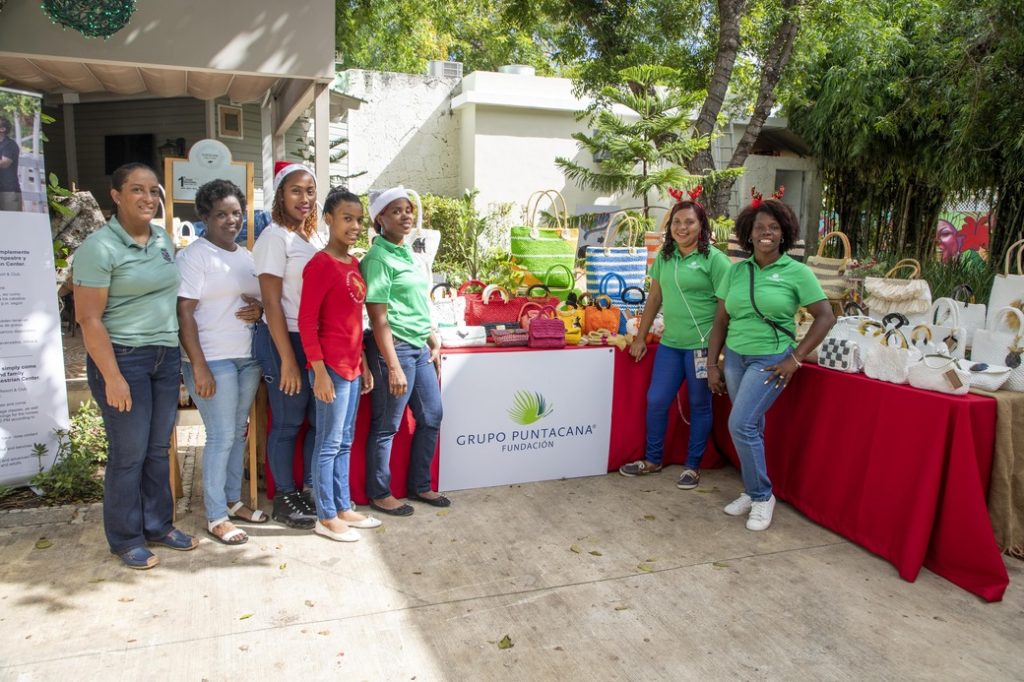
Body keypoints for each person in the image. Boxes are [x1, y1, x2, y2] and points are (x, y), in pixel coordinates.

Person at [73, 162, 196, 569]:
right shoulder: (99, 248)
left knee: (158, 450)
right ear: (116, 195)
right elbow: (89, 319)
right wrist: (112, 377)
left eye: (153, 191)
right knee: (129, 453)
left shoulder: (162, 238)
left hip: (163, 358)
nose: (148, 198)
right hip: (123, 359)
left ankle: (158, 525)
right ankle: (126, 538)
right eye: (137, 190)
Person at [707, 197, 834, 531]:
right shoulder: (736, 272)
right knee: (752, 426)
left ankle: (763, 496)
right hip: (735, 357)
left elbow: (825, 317)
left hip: (771, 359)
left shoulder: (797, 272)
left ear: (784, 234)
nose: (766, 233)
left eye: (773, 228)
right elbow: (720, 321)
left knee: (741, 425)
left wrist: (795, 358)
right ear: (748, 234)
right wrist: (712, 364)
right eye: (759, 227)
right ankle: (752, 490)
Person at [177, 180, 265, 545]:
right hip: (212, 358)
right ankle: (215, 515)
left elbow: (260, 302)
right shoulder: (194, 256)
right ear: (204, 217)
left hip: (247, 356)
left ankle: (232, 501)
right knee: (221, 435)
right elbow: (184, 313)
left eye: (236, 213)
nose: (232, 220)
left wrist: (258, 310)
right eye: (221, 214)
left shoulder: (246, 256)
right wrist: (198, 366)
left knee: (238, 432)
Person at [622, 192, 731, 489]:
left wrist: (716, 353)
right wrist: (641, 337)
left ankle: (693, 466)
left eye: (689, 222)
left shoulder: (716, 260)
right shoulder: (665, 257)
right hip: (671, 344)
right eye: (676, 223)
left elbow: (725, 308)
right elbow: (654, 297)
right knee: (656, 400)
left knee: (699, 405)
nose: (682, 228)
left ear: (702, 225)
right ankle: (653, 460)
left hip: (701, 346)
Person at [298, 188, 381, 541]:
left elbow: (352, 316)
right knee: (329, 442)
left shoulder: (354, 263)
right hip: (330, 367)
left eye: (359, 219)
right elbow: (306, 321)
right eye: (347, 218)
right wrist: (318, 371)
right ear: (329, 219)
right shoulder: (319, 264)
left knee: (345, 440)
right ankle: (326, 515)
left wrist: (362, 357)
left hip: (352, 364)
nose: (355, 225)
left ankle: (344, 505)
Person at [361, 186, 447, 516]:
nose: (405, 215)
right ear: (379, 218)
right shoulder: (378, 258)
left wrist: (431, 335)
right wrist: (393, 366)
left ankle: (420, 484)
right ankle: (379, 492)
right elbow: (378, 315)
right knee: (387, 425)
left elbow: (416, 301)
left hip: (418, 346)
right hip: (392, 348)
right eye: (396, 211)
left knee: (432, 416)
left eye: (408, 209)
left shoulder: (408, 254)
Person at [252, 162, 325, 529]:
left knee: (316, 419)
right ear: (280, 194)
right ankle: (284, 496)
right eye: (296, 190)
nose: (305, 198)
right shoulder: (273, 238)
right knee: (287, 421)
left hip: (313, 340)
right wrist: (288, 361)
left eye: (310, 191)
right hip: (284, 339)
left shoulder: (314, 239)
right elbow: (271, 304)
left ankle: (311, 488)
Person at [0, 116, 22, 212]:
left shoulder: (9, 144)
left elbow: (5, 163)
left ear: (2, 129)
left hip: (9, 191)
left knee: (13, 223)